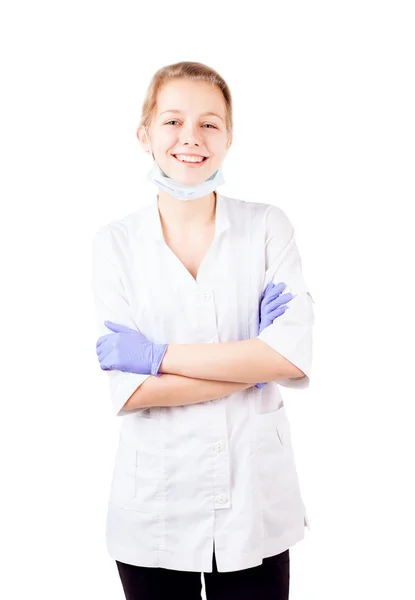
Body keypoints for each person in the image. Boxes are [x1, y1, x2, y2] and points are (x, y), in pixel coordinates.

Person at [91, 61, 315, 600]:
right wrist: (251, 364)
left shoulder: (267, 227)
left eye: (210, 123)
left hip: (253, 503)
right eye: (172, 121)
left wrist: (157, 354)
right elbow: (134, 392)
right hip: (156, 507)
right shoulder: (116, 244)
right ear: (145, 134)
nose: (190, 138)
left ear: (229, 137)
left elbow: (290, 360)